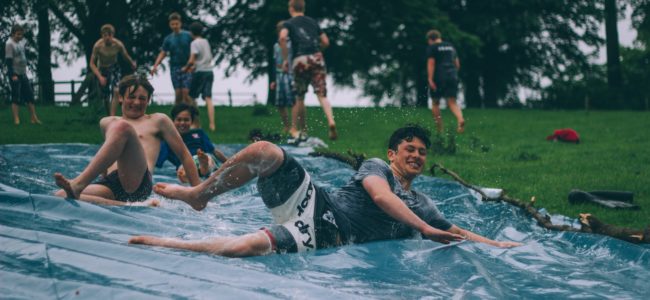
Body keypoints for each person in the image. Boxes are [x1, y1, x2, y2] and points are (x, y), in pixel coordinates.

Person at [129, 124, 522, 257]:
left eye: (422, 153)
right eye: (410, 150)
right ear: (393, 153)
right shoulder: (377, 167)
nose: (417, 157)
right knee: (266, 151)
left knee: (243, 249)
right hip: (318, 204)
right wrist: (426, 229)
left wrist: (495, 245)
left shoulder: (423, 202)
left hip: (331, 234)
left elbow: (454, 230)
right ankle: (201, 193)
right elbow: (381, 197)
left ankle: (166, 244)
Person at [53, 75, 201, 206]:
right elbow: (109, 154)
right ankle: (128, 205)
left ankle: (78, 184)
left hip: (137, 182)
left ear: (148, 100)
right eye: (131, 97)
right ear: (121, 97)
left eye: (142, 98)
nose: (136, 102)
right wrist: (103, 177)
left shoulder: (158, 121)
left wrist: (197, 193)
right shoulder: (107, 122)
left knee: (123, 127)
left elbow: (184, 154)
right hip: (111, 183)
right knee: (60, 195)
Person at [279, 0, 337, 140]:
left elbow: (282, 37)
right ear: (303, 8)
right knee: (322, 95)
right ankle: (331, 121)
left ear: (291, 8)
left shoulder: (289, 23)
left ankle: (302, 130)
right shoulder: (312, 22)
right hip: (316, 57)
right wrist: (317, 53)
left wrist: (286, 59)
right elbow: (325, 41)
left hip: (300, 59)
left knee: (300, 96)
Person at [156, 103, 228, 183]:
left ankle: (202, 169)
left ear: (192, 121)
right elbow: (157, 160)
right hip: (184, 165)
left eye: (186, 120)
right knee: (182, 170)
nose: (182, 123)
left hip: (200, 157)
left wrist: (228, 162)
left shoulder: (199, 133)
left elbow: (214, 151)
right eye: (179, 120)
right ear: (173, 121)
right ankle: (199, 171)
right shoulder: (168, 141)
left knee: (207, 159)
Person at [89, 24, 137, 116]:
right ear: (102, 36)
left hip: (114, 67)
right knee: (106, 97)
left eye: (109, 35)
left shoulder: (118, 44)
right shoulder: (97, 46)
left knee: (116, 90)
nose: (107, 38)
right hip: (102, 69)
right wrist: (100, 77)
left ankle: (113, 115)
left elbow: (125, 56)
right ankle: (109, 116)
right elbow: (91, 64)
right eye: (104, 35)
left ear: (113, 35)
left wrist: (132, 63)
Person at [151, 12, 194, 106]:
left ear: (180, 23)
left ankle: (194, 116)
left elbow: (196, 50)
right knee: (178, 94)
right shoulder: (168, 39)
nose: (175, 26)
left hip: (188, 67)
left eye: (176, 24)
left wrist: (194, 64)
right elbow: (163, 53)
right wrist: (155, 65)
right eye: (172, 24)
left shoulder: (189, 35)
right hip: (175, 67)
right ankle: (176, 116)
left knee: (186, 93)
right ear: (169, 25)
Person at [426, 29, 464, 134]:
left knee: (435, 103)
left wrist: (430, 78)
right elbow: (457, 64)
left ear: (430, 39)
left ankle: (440, 129)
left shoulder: (432, 47)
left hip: (439, 76)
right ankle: (460, 118)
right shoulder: (450, 46)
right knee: (452, 102)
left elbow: (431, 63)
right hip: (452, 75)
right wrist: (453, 74)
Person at [5, 24, 41, 125]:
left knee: (29, 95)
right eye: (18, 34)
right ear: (13, 34)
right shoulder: (9, 44)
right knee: (16, 97)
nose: (20, 36)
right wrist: (13, 75)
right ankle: (16, 120)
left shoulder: (21, 42)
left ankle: (34, 118)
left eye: (21, 34)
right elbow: (8, 61)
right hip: (15, 74)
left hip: (23, 73)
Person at [183, 21, 216, 131]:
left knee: (191, 97)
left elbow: (192, 59)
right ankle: (212, 124)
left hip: (200, 72)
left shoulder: (194, 43)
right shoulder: (205, 41)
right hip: (209, 71)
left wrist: (186, 68)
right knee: (208, 98)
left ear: (191, 32)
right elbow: (208, 57)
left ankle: (196, 123)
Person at [270, 20, 295, 134]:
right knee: (280, 103)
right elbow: (275, 63)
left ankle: (295, 127)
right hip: (279, 75)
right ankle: (286, 126)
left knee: (292, 101)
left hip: (290, 75)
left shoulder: (292, 44)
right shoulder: (276, 46)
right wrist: (274, 80)